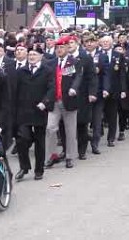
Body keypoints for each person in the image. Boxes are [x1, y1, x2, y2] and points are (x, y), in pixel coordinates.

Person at [14, 45, 55, 181]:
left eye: (34, 55)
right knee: (22, 139)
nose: (31, 57)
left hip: (39, 110)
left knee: (39, 141)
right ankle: (24, 167)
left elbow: (51, 89)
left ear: (41, 56)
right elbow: (14, 90)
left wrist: (45, 102)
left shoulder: (47, 71)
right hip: (23, 111)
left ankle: (39, 169)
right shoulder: (21, 71)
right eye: (30, 54)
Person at [44, 36, 82, 169]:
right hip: (54, 101)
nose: (59, 50)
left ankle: (69, 156)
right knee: (50, 128)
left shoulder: (74, 62)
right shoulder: (51, 63)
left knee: (70, 130)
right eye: (57, 48)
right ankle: (52, 155)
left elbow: (78, 77)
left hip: (69, 100)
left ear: (67, 48)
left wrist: (73, 88)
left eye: (62, 47)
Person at [84, 34, 110, 153]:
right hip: (84, 93)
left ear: (96, 42)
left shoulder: (102, 56)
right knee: (83, 119)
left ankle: (95, 143)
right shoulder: (81, 55)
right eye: (87, 41)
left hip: (98, 93)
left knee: (96, 119)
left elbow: (106, 74)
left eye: (91, 41)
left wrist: (105, 89)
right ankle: (83, 141)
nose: (89, 44)